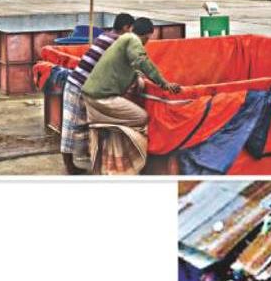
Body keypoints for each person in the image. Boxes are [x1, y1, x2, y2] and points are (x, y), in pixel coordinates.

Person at [81, 17, 183, 173]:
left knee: (124, 123)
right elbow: (142, 61)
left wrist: (137, 77)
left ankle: (112, 153)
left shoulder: (123, 39)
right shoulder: (132, 40)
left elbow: (132, 66)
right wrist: (164, 84)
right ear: (147, 35)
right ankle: (131, 161)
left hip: (91, 96)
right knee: (141, 117)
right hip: (101, 99)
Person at [60, 13, 134, 174]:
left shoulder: (105, 36)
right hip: (79, 84)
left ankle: (87, 155)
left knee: (87, 124)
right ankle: (69, 165)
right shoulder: (117, 41)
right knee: (71, 125)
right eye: (131, 30)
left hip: (84, 84)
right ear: (126, 27)